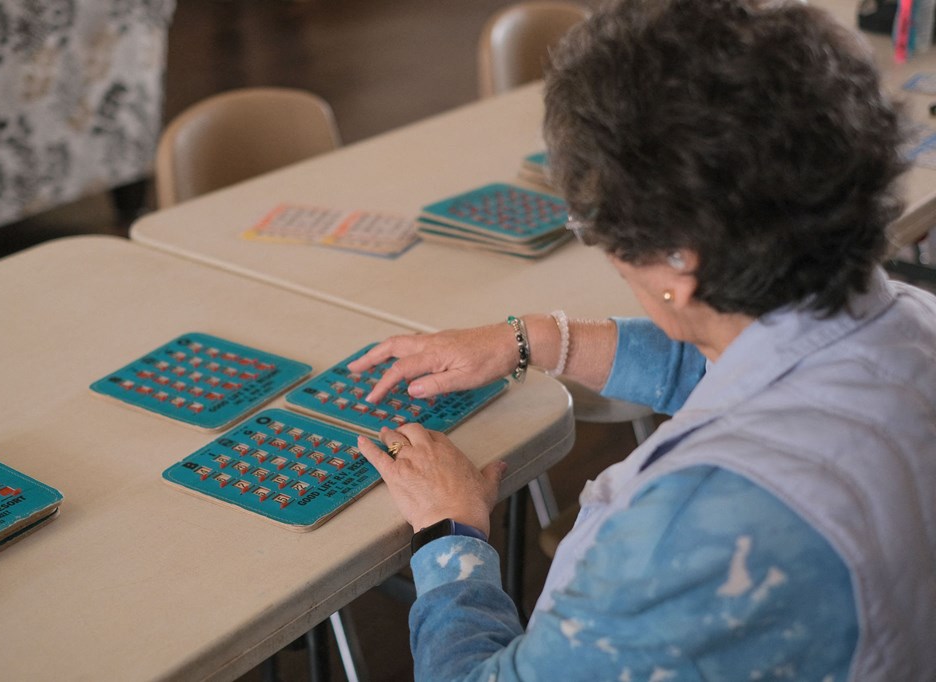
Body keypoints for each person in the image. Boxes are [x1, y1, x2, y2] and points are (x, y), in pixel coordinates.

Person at [348, 0, 936, 679]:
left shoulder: (694, 533)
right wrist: (535, 339)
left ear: (680, 262)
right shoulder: (911, 326)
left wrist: (452, 535)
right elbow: (748, 362)